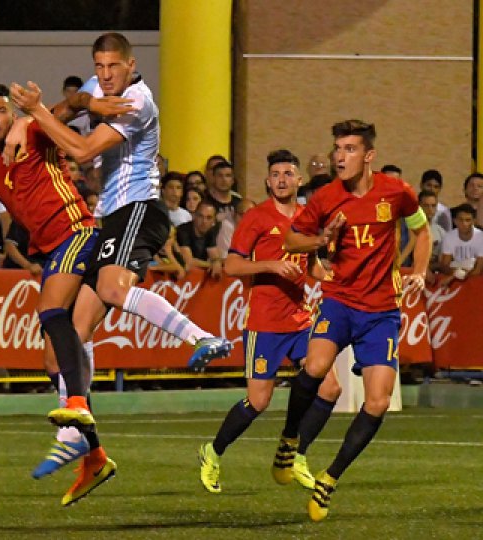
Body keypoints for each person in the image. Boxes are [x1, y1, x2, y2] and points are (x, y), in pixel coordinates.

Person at [9, 33, 231, 503]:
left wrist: (40, 113)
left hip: (137, 210)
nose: (105, 74)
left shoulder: (138, 102)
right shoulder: (102, 86)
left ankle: (200, 337)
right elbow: (73, 102)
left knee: (110, 288)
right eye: (99, 66)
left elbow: (84, 151)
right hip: (110, 219)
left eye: (113, 67)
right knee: (60, 348)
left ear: (131, 66)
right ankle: (88, 452)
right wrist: (34, 116)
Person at [0, 84, 107, 505]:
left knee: (51, 311)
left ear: (10, 114)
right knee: (51, 355)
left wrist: (37, 112)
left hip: (77, 230)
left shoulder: (32, 131)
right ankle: (95, 455)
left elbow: (69, 107)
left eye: (1, 110)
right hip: (52, 250)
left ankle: (78, 408)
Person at [279, 119, 430, 521]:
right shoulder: (326, 197)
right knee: (315, 367)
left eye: (348, 149)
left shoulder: (396, 192)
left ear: (368, 156)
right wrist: (322, 239)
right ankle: (291, 440)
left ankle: (330, 478)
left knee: (378, 401)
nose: (339, 156)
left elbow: (423, 230)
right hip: (340, 302)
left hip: (381, 312)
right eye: (337, 149)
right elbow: (291, 240)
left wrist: (419, 268)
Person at [198, 149, 341, 494]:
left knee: (330, 387)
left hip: (300, 319)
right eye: (275, 174)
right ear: (267, 180)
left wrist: (334, 276)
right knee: (259, 401)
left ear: (299, 179)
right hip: (264, 323)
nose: (281, 180)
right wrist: (271, 265)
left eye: (288, 174)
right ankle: (213, 451)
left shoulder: (308, 217)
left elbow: (313, 266)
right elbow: (232, 266)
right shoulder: (257, 218)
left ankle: (297, 455)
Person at [436, 203, 483, 287]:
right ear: (455, 221)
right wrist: (457, 273)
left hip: (474, 279)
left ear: (474, 221)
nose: (464, 223)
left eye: (468, 220)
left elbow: (478, 270)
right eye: (461, 220)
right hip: (457, 271)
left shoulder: (481, 237)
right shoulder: (449, 237)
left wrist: (454, 276)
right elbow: (445, 266)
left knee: (471, 263)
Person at [176, 200, 221, 276]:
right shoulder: (183, 231)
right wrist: (211, 265)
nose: (204, 221)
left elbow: (214, 255)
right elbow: (188, 261)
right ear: (194, 216)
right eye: (201, 216)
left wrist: (216, 262)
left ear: (214, 221)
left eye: (209, 218)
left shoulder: (210, 232)